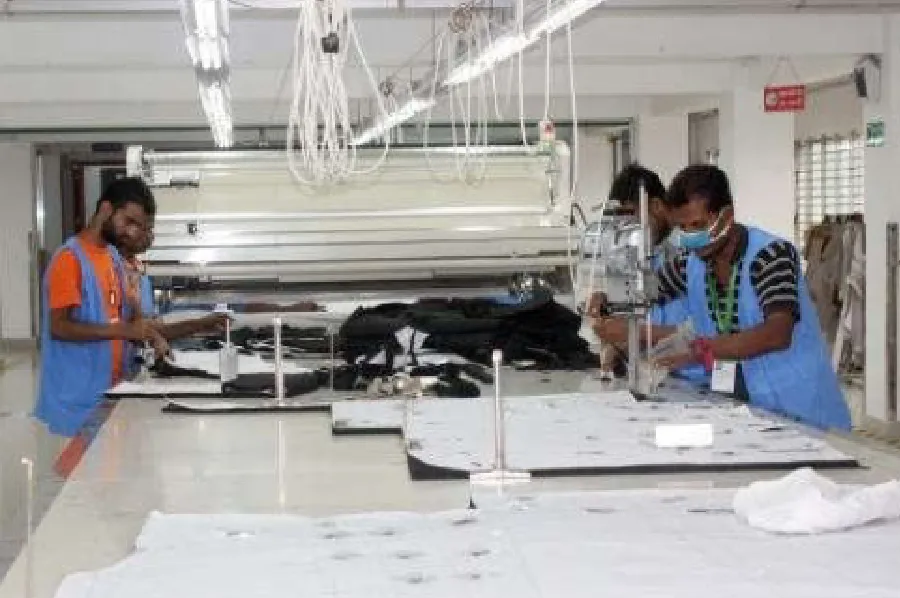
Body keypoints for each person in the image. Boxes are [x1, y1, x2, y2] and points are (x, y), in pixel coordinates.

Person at [594, 165, 850, 430]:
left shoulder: (771, 255)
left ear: (727, 216)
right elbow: (643, 293)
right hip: (752, 406)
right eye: (682, 227)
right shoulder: (690, 262)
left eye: (698, 225)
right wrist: (606, 301)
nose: (690, 236)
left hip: (803, 407)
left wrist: (698, 351)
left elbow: (777, 333)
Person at [35, 177, 168, 437]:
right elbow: (59, 327)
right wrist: (123, 330)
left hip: (110, 393)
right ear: (106, 209)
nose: (133, 233)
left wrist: (150, 333)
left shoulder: (112, 259)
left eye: (140, 227)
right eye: (129, 221)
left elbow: (128, 317)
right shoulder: (69, 260)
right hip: (76, 401)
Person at [591, 164, 706, 383]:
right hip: (665, 378)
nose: (625, 229)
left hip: (700, 377)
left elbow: (706, 331)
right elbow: (639, 308)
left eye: (630, 219)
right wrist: (611, 314)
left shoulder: (692, 254)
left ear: (655, 206)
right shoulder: (646, 255)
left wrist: (637, 333)